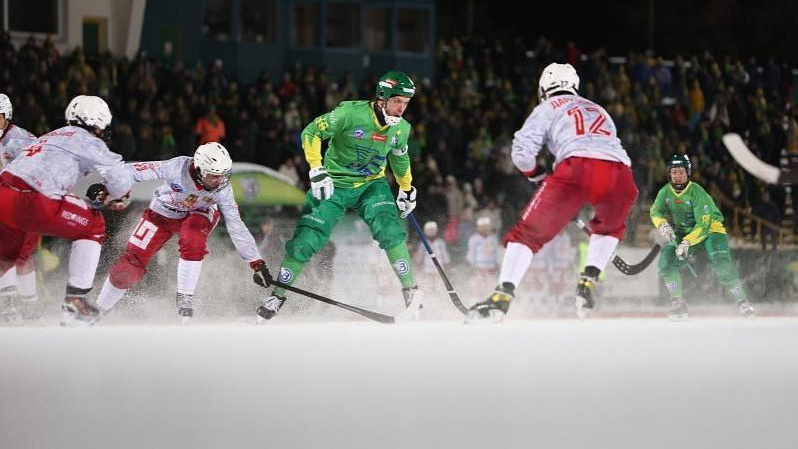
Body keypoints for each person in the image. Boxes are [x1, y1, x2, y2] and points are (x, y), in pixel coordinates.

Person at [467, 62, 638, 322]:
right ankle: (588, 282)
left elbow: (522, 153)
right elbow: (607, 149)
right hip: (621, 173)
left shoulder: (547, 107)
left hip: (577, 168)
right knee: (608, 228)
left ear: (544, 88)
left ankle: (502, 296)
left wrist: (538, 175)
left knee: (526, 235)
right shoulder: (599, 109)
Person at [255, 70, 423, 321]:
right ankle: (278, 295)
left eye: (406, 103)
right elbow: (311, 132)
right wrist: (316, 168)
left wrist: (407, 188)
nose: (401, 109)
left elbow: (400, 157)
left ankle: (411, 292)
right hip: (334, 184)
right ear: (382, 98)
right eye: (397, 101)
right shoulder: (349, 113)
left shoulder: (401, 129)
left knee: (390, 230)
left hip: (371, 185)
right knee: (306, 240)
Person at [94, 142, 272, 323]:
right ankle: (99, 309)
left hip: (200, 213)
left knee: (193, 238)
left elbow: (236, 225)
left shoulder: (223, 189)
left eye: (223, 176)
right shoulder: (177, 167)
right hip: (162, 213)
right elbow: (134, 171)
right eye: (213, 176)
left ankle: (185, 298)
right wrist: (106, 185)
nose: (219, 181)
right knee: (130, 264)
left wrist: (255, 261)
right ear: (200, 169)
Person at [0, 95, 132, 325]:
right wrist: (114, 194)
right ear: (97, 121)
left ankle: (6, 309)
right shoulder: (87, 140)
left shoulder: (53, 135)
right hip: (34, 199)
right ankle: (76, 303)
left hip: (4, 193)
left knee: (6, 257)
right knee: (93, 224)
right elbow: (120, 179)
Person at [650, 154, 755, 320]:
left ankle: (742, 302)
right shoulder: (665, 192)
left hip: (712, 231)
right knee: (666, 264)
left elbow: (703, 226)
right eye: (674, 172)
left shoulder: (697, 192)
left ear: (688, 173)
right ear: (669, 174)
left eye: (681, 172)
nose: (677, 176)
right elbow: (655, 211)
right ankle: (678, 303)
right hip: (684, 232)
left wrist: (685, 243)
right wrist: (662, 225)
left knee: (721, 264)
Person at [0, 93, 41, 321]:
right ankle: (26, 304)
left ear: (8, 116)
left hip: (24, 204)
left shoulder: (21, 141)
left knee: (19, 256)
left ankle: (18, 304)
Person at [465, 216, 500, 302]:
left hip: (490, 267)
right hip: (479, 267)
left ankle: (491, 304)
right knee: (476, 286)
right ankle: (475, 304)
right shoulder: (473, 239)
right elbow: (471, 253)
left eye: (486, 227)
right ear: (478, 227)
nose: (484, 229)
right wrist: (473, 267)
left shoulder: (493, 238)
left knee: (492, 287)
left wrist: (496, 265)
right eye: (482, 227)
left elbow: (496, 253)